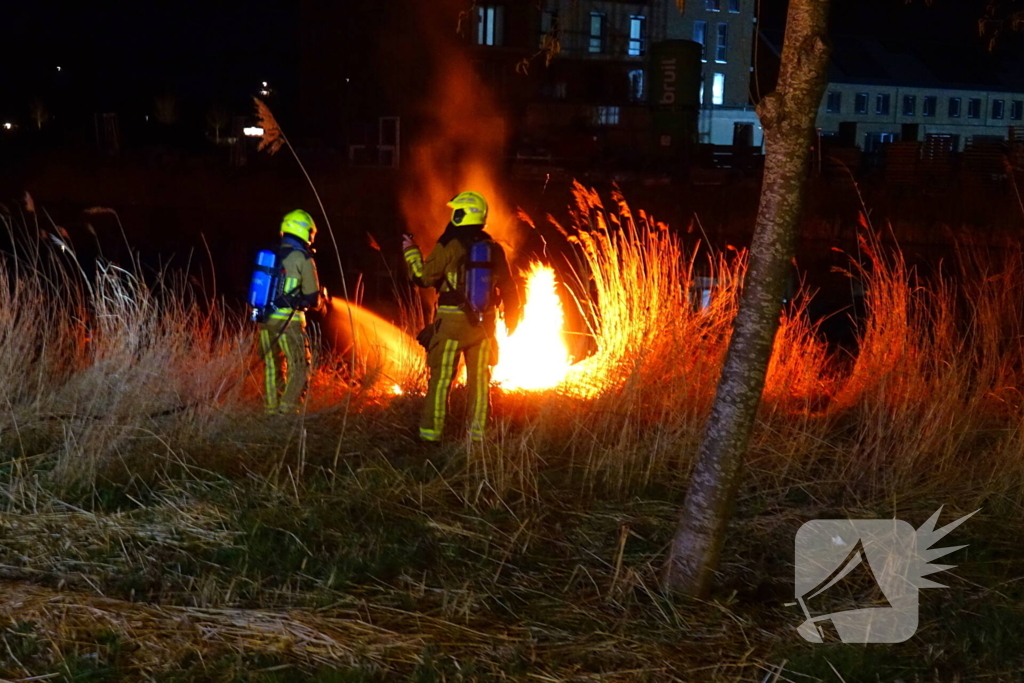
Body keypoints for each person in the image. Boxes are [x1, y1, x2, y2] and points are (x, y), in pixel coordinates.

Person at [403, 191, 521, 442]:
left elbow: (423, 277)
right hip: (484, 326)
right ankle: (478, 436)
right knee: (480, 382)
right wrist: (512, 317)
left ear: (462, 215)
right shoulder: (493, 248)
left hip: (452, 325)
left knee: (442, 379)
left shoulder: (450, 243)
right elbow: (509, 287)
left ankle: (430, 435)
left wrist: (410, 252)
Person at [259, 209, 323, 415]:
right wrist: (321, 301)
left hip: (265, 319)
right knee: (300, 366)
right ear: (305, 231)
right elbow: (312, 297)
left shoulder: (272, 253)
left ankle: (271, 408)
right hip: (289, 321)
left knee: (272, 365)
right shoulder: (302, 257)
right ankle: (288, 412)